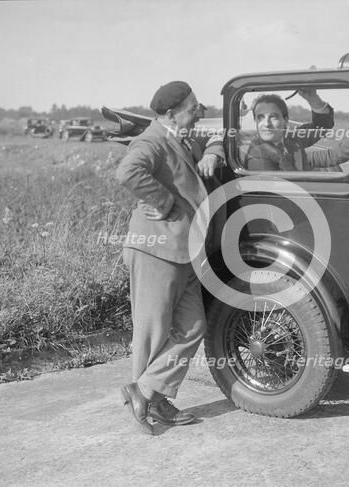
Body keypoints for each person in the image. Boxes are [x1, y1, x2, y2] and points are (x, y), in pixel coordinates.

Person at [116, 80, 224, 435]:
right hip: (155, 250)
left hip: (183, 251)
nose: (199, 113)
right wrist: (166, 203)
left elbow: (216, 135)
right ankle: (151, 407)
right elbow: (128, 172)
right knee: (152, 332)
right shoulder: (152, 140)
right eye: (193, 109)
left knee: (193, 328)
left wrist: (214, 151)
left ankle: (145, 391)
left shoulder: (181, 135)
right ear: (169, 114)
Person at [243, 89, 349, 171]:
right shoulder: (257, 155)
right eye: (260, 117)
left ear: (285, 120)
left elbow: (322, 125)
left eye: (273, 116)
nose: (266, 124)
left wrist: (312, 97)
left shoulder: (289, 138)